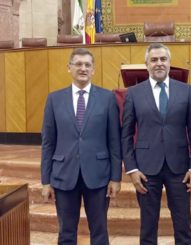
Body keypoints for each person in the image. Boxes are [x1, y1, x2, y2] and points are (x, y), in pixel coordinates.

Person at [121, 43, 191, 245]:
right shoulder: (133, 93)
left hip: (180, 168)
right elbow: (126, 134)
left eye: (163, 59)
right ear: (147, 64)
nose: (159, 63)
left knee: (183, 225)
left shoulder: (186, 91)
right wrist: (131, 169)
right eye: (154, 60)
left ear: (169, 63)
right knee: (148, 227)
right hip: (146, 169)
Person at [41, 48, 122, 245]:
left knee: (100, 232)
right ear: (69, 68)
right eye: (78, 64)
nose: (83, 68)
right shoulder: (54, 99)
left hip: (98, 176)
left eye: (87, 65)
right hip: (63, 175)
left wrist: (115, 177)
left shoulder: (107, 98)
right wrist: (45, 180)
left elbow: (114, 141)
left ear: (93, 69)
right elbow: (48, 143)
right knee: (66, 232)